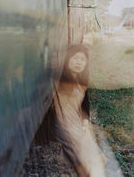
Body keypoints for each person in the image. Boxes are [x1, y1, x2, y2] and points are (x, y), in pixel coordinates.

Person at [36, 44, 106, 177]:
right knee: (86, 165)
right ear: (67, 59)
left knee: (98, 160)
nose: (79, 62)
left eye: (83, 59)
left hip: (78, 124)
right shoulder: (59, 78)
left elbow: (85, 105)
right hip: (63, 126)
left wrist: (85, 122)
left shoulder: (81, 80)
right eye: (75, 58)